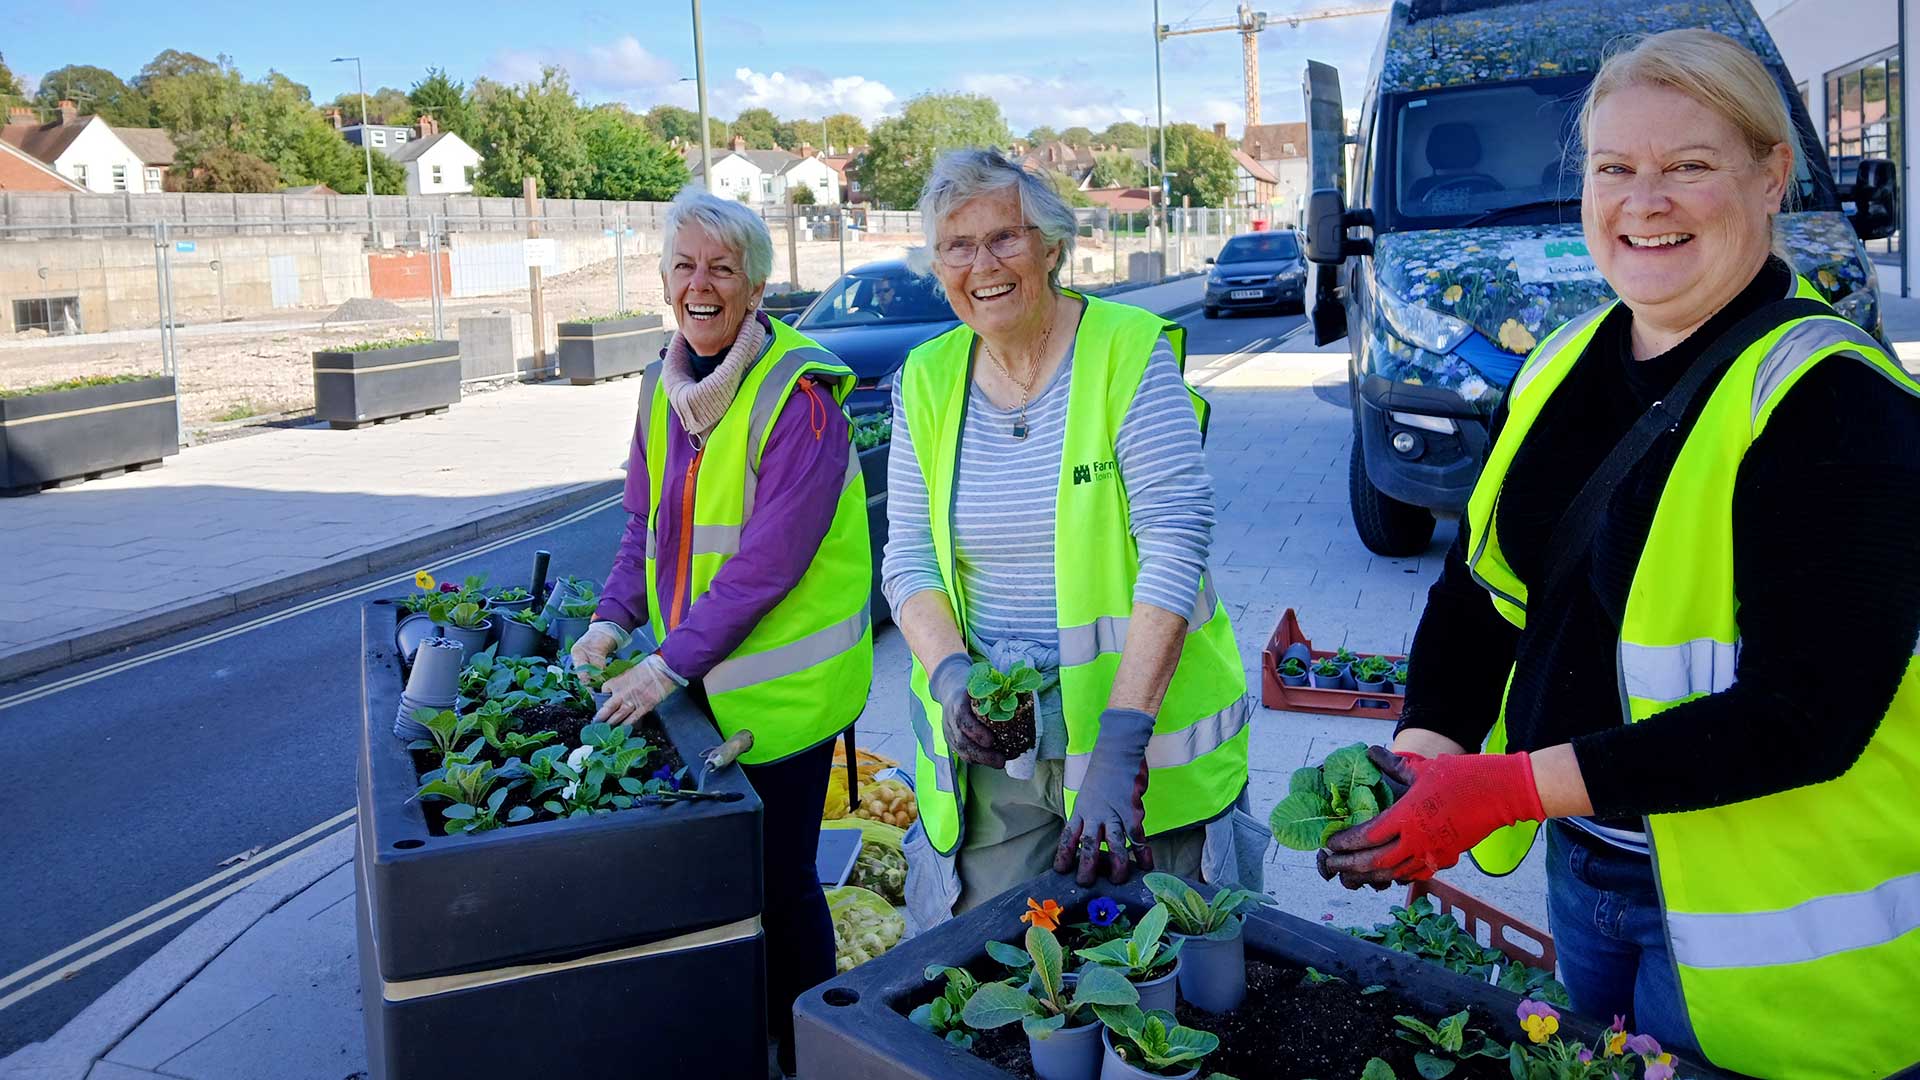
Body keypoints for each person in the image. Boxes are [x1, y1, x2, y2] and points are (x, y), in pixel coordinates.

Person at [1317, 30, 1920, 1079]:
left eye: (1689, 165)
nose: (1645, 202)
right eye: (1614, 168)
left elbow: (1804, 718)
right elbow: (1481, 591)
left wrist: (1508, 790)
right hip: (1589, 871)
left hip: (1777, 931)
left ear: (1772, 175)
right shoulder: (1561, 363)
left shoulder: (1835, 402)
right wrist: (1429, 751)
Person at [885, 148, 1252, 931]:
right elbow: (908, 556)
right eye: (957, 247)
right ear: (938, 266)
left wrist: (1120, 747)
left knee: (1165, 960)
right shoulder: (925, 377)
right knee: (1001, 958)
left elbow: (1175, 542)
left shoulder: (1125, 349)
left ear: (1052, 246)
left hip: (1145, 749)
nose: (983, 266)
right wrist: (952, 680)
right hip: (999, 754)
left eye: (1004, 238)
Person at [570, 185, 874, 1076]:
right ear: (664, 279)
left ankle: (808, 1056)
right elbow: (645, 526)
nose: (699, 286)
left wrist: (663, 667)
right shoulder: (661, 387)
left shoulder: (800, 398)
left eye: (722, 269)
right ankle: (750, 1043)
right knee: (728, 889)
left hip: (783, 701)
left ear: (757, 287)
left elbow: (767, 566)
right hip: (703, 688)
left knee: (782, 887)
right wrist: (609, 620)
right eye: (684, 266)